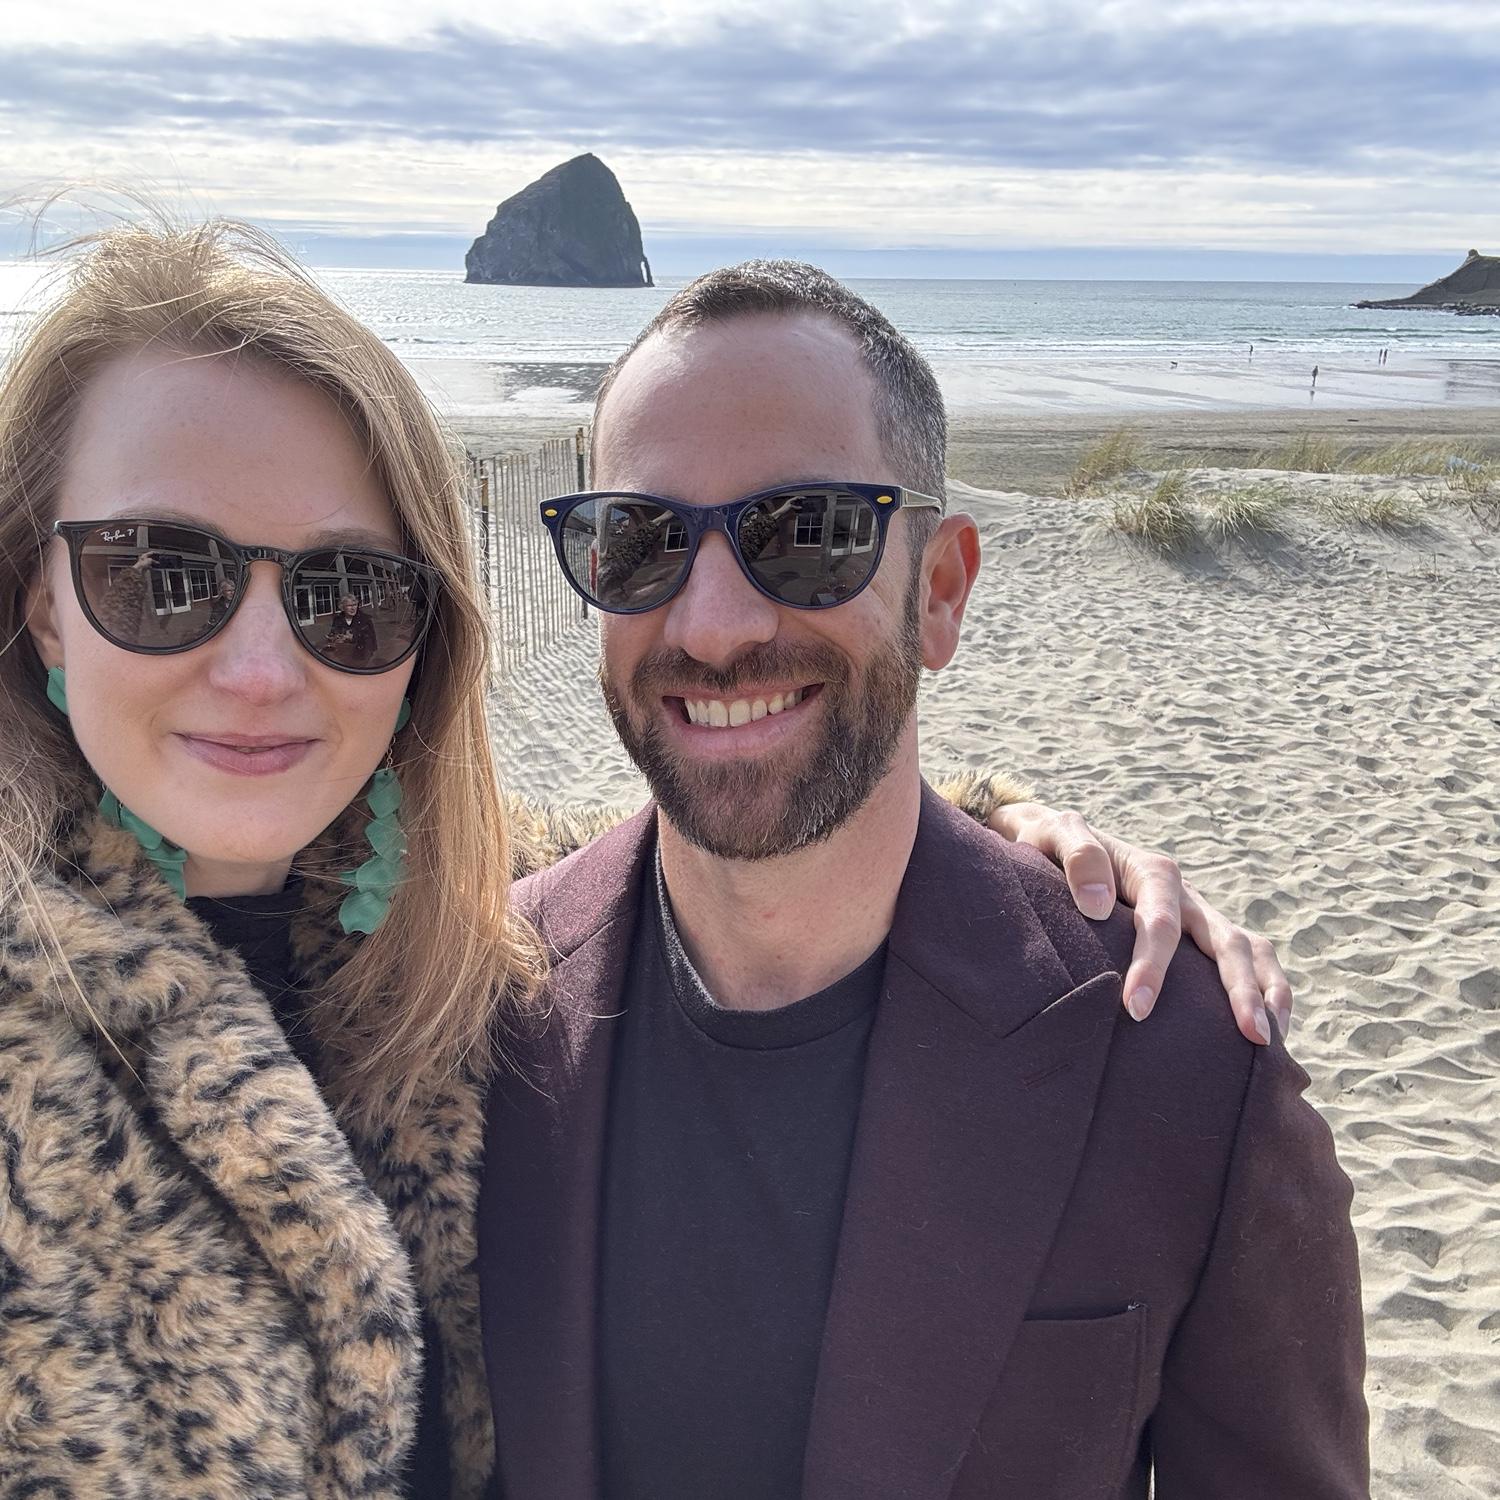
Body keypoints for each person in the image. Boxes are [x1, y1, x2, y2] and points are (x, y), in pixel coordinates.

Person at [0, 221, 1294, 1498]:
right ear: (42, 599)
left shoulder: (462, 955)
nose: (258, 667)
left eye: (346, 591)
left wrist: (1009, 841)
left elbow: (755, 836)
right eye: (161, 574)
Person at [484, 262, 1369, 1498]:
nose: (713, 624)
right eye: (638, 540)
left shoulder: (1184, 1066)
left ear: (940, 590)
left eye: (808, 534)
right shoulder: (474, 1018)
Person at [325, 591, 379, 666]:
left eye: (355, 605)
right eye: (349, 605)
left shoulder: (365, 619)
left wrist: (353, 637)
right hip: (342, 655)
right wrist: (332, 637)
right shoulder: (337, 619)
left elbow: (371, 640)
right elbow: (334, 632)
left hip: (360, 655)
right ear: (342, 607)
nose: (353, 608)